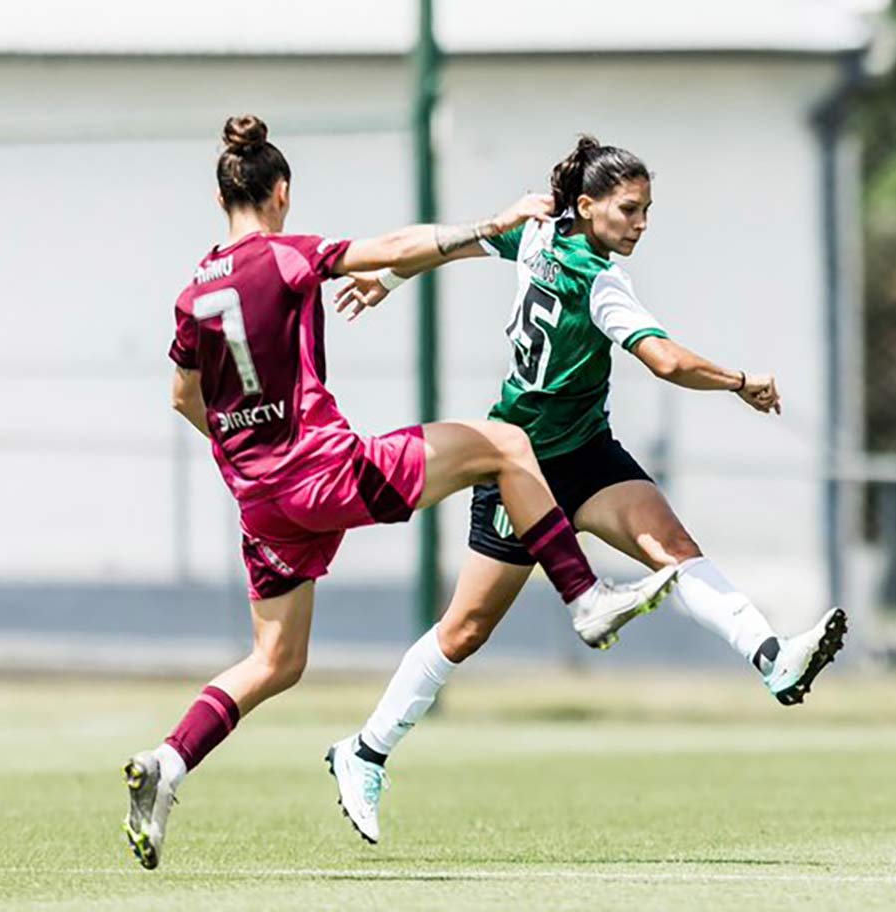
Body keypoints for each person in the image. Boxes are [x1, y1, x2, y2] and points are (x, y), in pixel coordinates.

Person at [121, 118, 677, 871]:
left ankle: (169, 762)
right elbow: (390, 250)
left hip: (259, 500)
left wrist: (248, 453)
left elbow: (184, 396)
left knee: (276, 661)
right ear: (280, 192)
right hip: (324, 471)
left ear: (222, 195)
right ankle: (583, 597)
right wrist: (491, 225)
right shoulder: (287, 255)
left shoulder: (194, 293)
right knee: (508, 444)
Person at [325, 136, 848, 844]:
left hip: (587, 452)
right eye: (629, 210)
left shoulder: (536, 233)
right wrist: (739, 382)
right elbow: (663, 361)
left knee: (672, 547)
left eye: (647, 210)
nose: (640, 223)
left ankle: (773, 657)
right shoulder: (600, 281)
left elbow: (453, 248)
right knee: (466, 629)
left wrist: (389, 279)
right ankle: (364, 750)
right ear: (587, 206)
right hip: (520, 466)